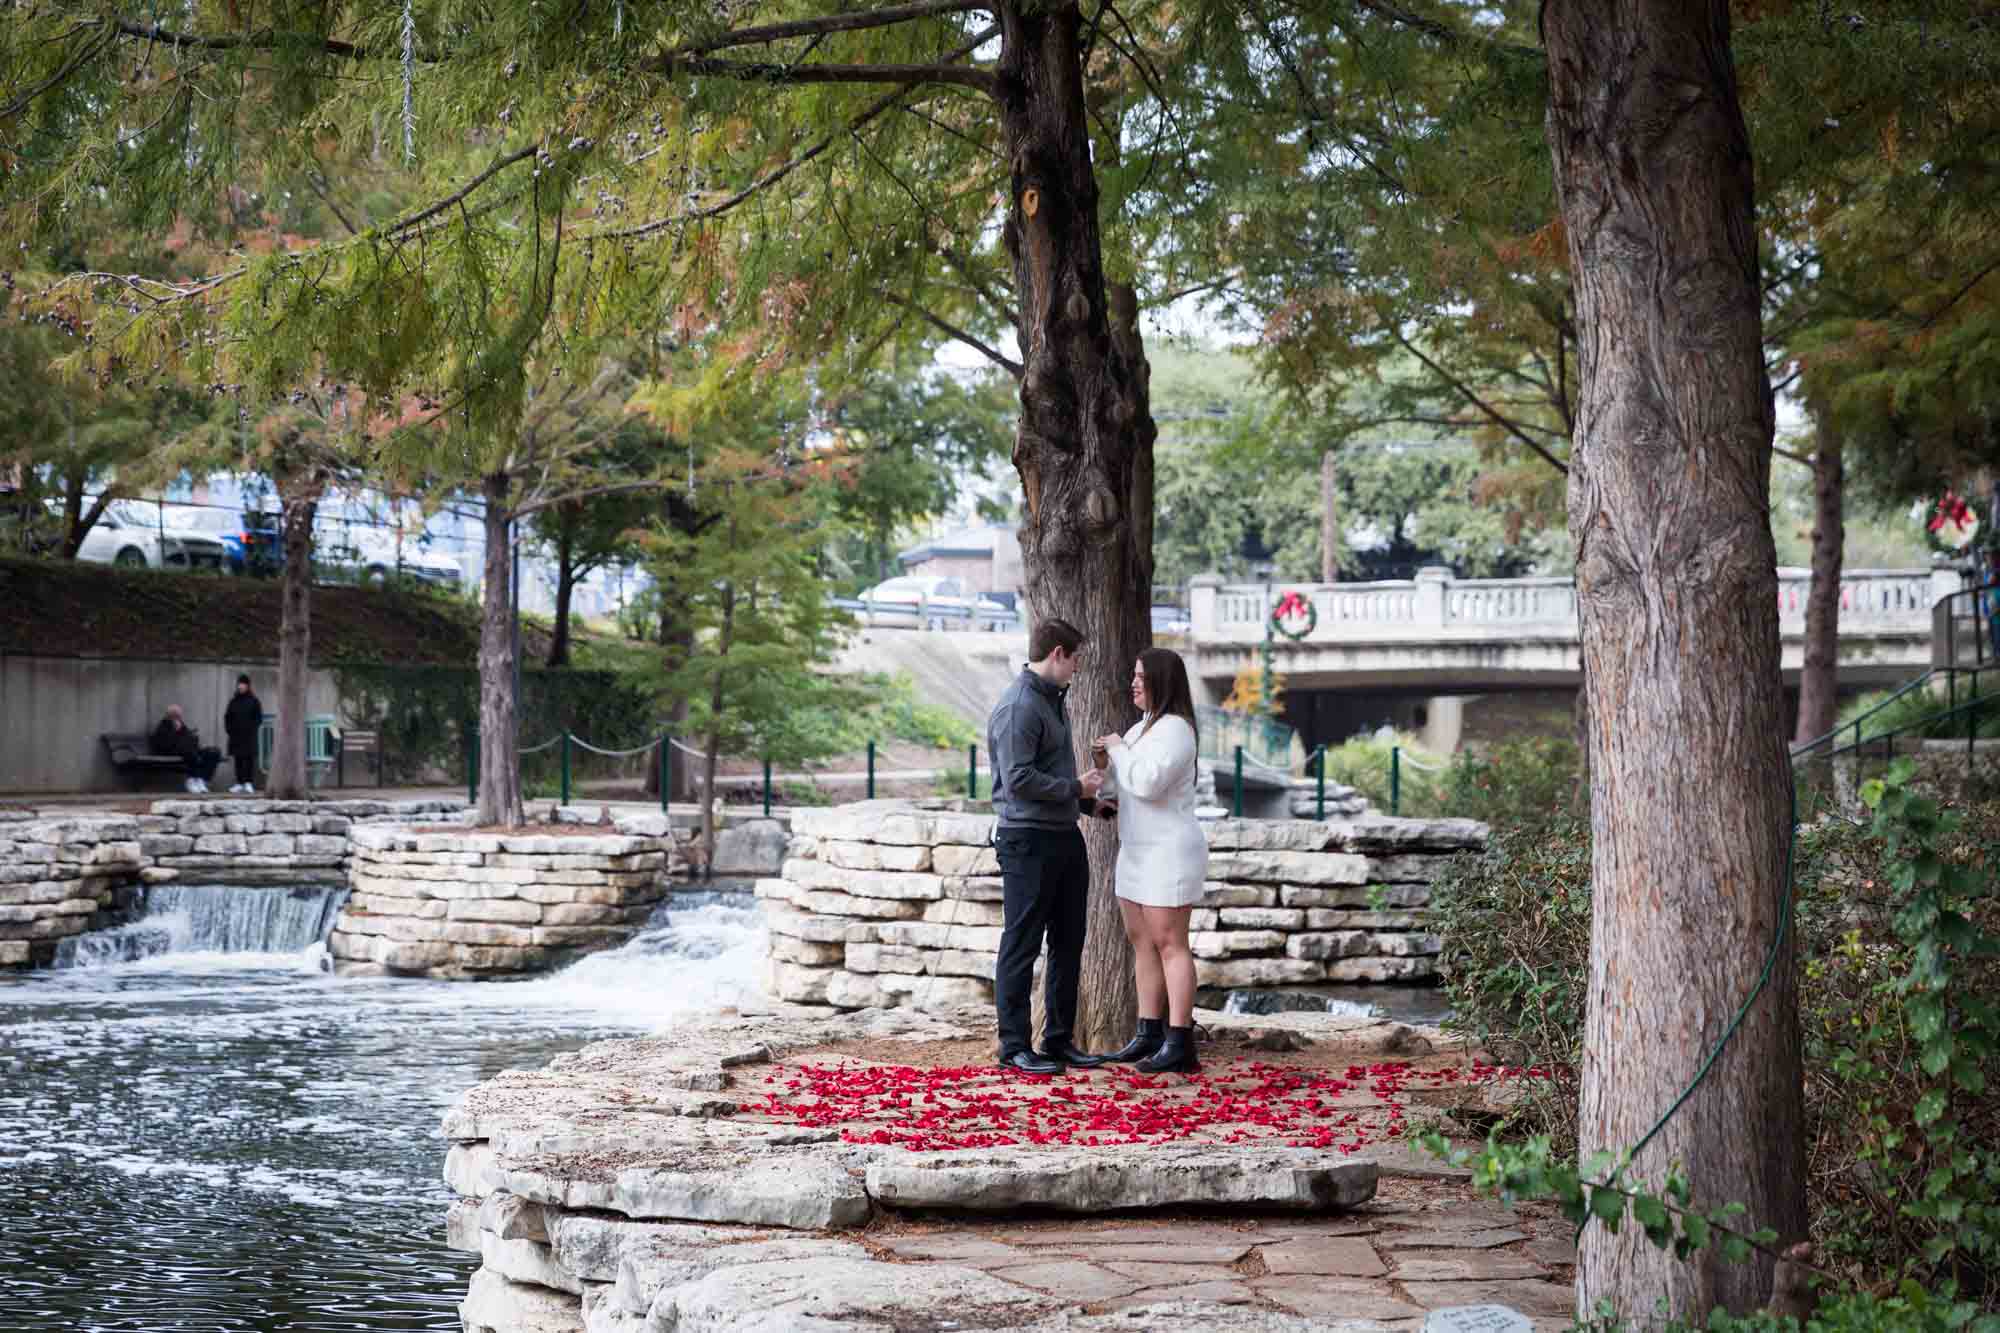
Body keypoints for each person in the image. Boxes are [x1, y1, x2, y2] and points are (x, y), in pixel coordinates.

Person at [987, 617, 1108, 1075]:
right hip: (1027, 842)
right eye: (1076, 658)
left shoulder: (1054, 701)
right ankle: (1014, 1047)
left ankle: (1058, 1040)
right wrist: (1076, 787)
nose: (1079, 668)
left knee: (1068, 941)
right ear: (1057, 653)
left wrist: (1089, 807)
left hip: (1063, 838)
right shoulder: (1019, 706)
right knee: (1021, 944)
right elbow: (1017, 780)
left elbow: (1051, 778)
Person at [1094, 647, 1207, 1074]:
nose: (1134, 683)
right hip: (1136, 850)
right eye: (1133, 675)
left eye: (1142, 676)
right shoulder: (1141, 728)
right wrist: (1104, 766)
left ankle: (1180, 1042)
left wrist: (1120, 748)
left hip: (1168, 853)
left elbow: (1146, 783)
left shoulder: (1177, 730)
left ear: (1163, 680)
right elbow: (1124, 785)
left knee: (1170, 944)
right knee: (1141, 942)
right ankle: (1148, 1032)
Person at [151, 704, 223, 794]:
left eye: (179, 715)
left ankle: (202, 779)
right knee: (191, 753)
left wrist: (186, 733)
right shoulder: (163, 726)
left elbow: (190, 738)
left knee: (214, 752)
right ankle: (192, 780)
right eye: (175, 715)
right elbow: (165, 744)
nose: (178, 717)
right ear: (169, 715)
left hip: (188, 750)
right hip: (172, 751)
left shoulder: (181, 725)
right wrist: (177, 732)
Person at [223, 674, 263, 795]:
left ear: (248, 686)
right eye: (239, 684)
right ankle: (239, 783)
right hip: (236, 735)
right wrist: (229, 729)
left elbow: (258, 718)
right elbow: (227, 717)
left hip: (249, 735)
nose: (240, 686)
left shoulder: (254, 701)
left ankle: (249, 783)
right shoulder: (233, 701)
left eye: (243, 684)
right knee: (238, 759)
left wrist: (252, 728)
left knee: (249, 759)